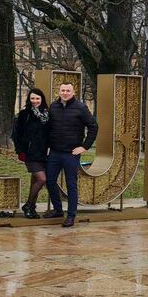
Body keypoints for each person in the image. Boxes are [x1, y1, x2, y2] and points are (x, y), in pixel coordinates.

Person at [43, 80, 98, 228]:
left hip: (71, 154)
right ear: (58, 92)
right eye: (63, 90)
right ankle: (58, 209)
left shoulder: (81, 108)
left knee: (71, 185)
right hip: (54, 152)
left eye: (68, 91)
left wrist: (84, 147)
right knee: (49, 181)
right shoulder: (53, 107)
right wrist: (47, 146)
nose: (65, 93)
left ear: (73, 92)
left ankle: (71, 216)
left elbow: (93, 126)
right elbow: (49, 128)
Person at [11, 88, 51, 218]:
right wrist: (20, 151)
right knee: (42, 179)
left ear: (42, 100)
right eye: (32, 98)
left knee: (35, 180)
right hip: (30, 153)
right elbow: (16, 134)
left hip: (43, 152)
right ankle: (29, 205)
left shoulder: (47, 114)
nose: (35, 101)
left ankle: (31, 208)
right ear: (29, 99)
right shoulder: (24, 114)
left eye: (37, 98)